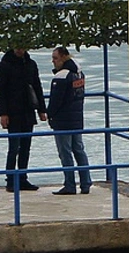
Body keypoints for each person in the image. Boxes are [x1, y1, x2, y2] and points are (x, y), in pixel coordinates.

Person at [0, 47, 47, 192]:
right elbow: (1, 90)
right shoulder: (5, 65)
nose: (21, 50)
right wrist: (3, 113)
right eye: (18, 47)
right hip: (12, 112)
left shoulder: (30, 64)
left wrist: (41, 109)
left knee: (26, 146)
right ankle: (10, 179)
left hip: (28, 110)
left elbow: (37, 86)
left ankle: (22, 178)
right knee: (13, 147)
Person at [48, 46, 92, 195]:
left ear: (64, 58)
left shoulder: (61, 77)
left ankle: (70, 184)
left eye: (55, 58)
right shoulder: (79, 74)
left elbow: (56, 101)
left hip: (63, 121)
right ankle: (86, 182)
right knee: (79, 149)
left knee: (65, 152)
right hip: (76, 118)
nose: (53, 61)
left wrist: (49, 115)